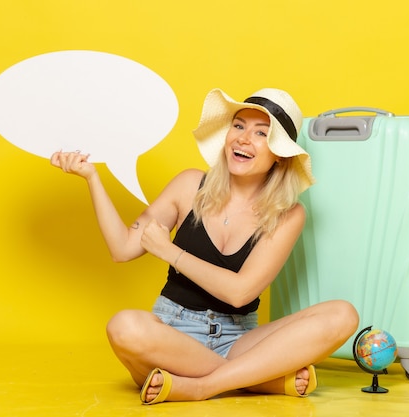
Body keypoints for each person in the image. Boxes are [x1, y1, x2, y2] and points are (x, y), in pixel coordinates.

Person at [50, 87, 359, 405]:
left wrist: (169, 251)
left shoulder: (289, 214)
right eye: (238, 126)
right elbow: (122, 248)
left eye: (261, 133)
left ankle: (202, 386)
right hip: (172, 333)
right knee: (124, 326)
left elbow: (240, 293)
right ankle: (257, 379)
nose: (242, 139)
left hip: (239, 338)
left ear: (279, 153)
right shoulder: (188, 185)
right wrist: (92, 178)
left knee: (342, 314)